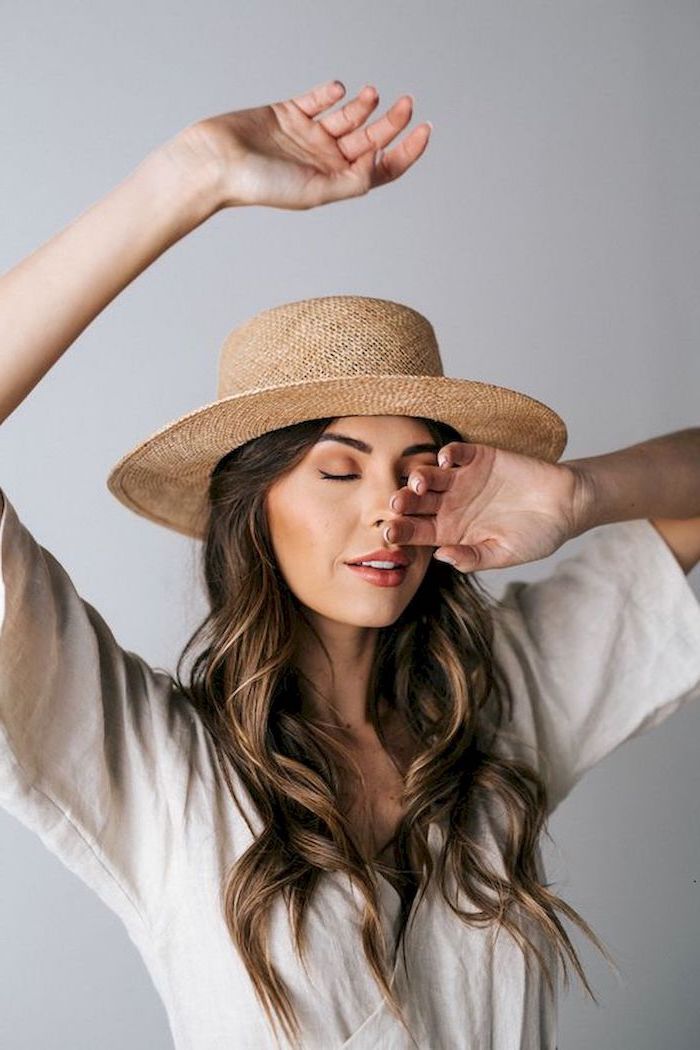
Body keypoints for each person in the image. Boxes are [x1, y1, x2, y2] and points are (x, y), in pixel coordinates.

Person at [1, 77, 699, 1050]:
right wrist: (189, 177)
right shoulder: (159, 770)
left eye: (420, 469)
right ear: (254, 509)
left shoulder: (503, 707)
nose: (387, 506)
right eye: (337, 470)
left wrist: (579, 497)